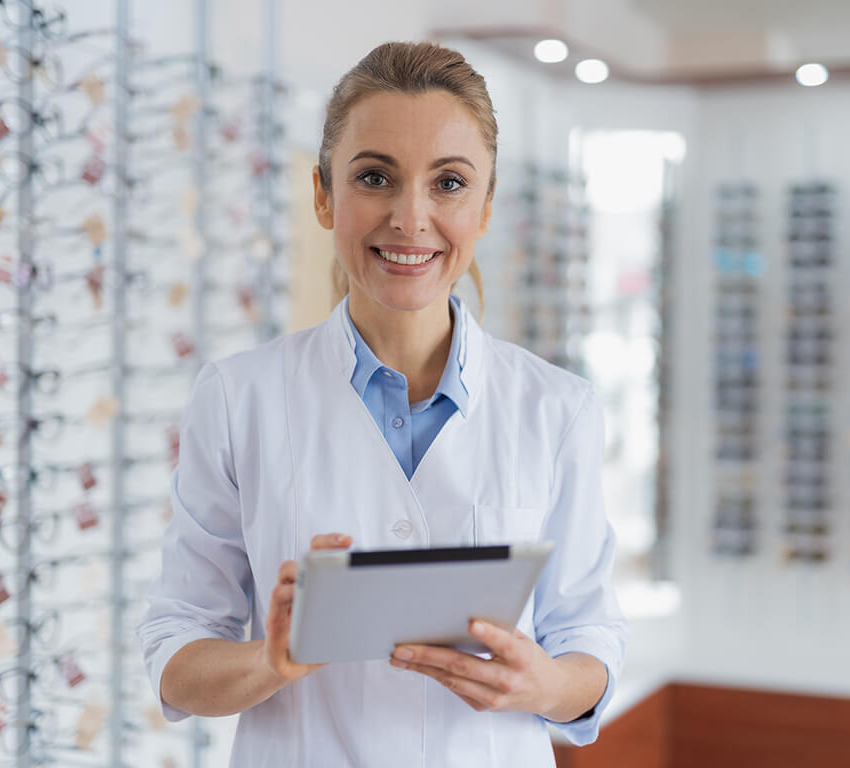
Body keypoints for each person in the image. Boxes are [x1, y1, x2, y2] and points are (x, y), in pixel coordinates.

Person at [137, 41, 628, 767]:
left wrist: (545, 683)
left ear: (486, 207)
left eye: (449, 184)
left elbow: (591, 640)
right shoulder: (240, 397)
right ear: (323, 195)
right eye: (375, 177)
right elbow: (177, 653)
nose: (411, 217)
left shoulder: (557, 409)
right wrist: (272, 660)